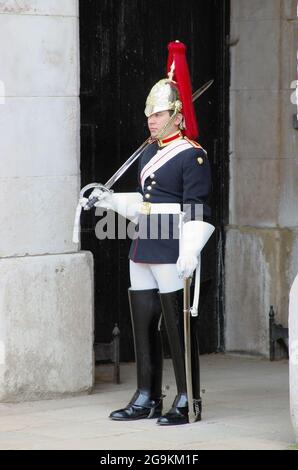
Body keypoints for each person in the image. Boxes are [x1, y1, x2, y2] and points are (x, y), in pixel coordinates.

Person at [84, 41, 214, 425]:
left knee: (178, 327)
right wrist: (107, 201)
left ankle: (188, 400)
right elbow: (145, 201)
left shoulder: (193, 154)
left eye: (157, 115)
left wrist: (190, 248)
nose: (151, 121)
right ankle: (147, 395)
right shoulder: (147, 154)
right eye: (149, 115)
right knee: (142, 324)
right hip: (144, 239)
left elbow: (198, 208)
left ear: (176, 114)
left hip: (174, 241)